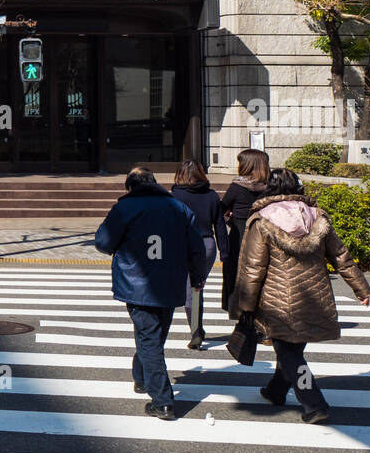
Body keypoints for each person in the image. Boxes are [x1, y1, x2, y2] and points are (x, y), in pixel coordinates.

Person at [234, 167, 370, 424]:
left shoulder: (262, 220)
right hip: (314, 295)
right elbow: (340, 255)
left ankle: (314, 403)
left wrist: (245, 304)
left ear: (269, 188)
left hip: (277, 298)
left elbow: (253, 268)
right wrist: (360, 289)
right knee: (291, 347)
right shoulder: (318, 217)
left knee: (290, 352)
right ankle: (275, 390)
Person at [95, 165, 206, 422]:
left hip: (136, 283)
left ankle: (163, 401)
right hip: (170, 282)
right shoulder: (179, 208)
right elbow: (196, 248)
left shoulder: (125, 208)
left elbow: (103, 242)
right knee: (153, 336)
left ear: (131, 186)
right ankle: (141, 378)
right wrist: (197, 277)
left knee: (149, 339)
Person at [170, 159, 229, 349]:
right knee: (196, 288)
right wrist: (224, 252)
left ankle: (196, 331)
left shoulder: (175, 196)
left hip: (182, 244)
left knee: (189, 291)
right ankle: (198, 329)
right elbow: (219, 226)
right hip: (206, 245)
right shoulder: (212, 196)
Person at [220, 147, 271, 318]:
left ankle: (239, 313)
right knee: (262, 276)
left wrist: (229, 218)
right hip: (265, 236)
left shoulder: (237, 186)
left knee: (236, 274)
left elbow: (221, 208)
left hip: (239, 235)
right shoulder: (270, 186)